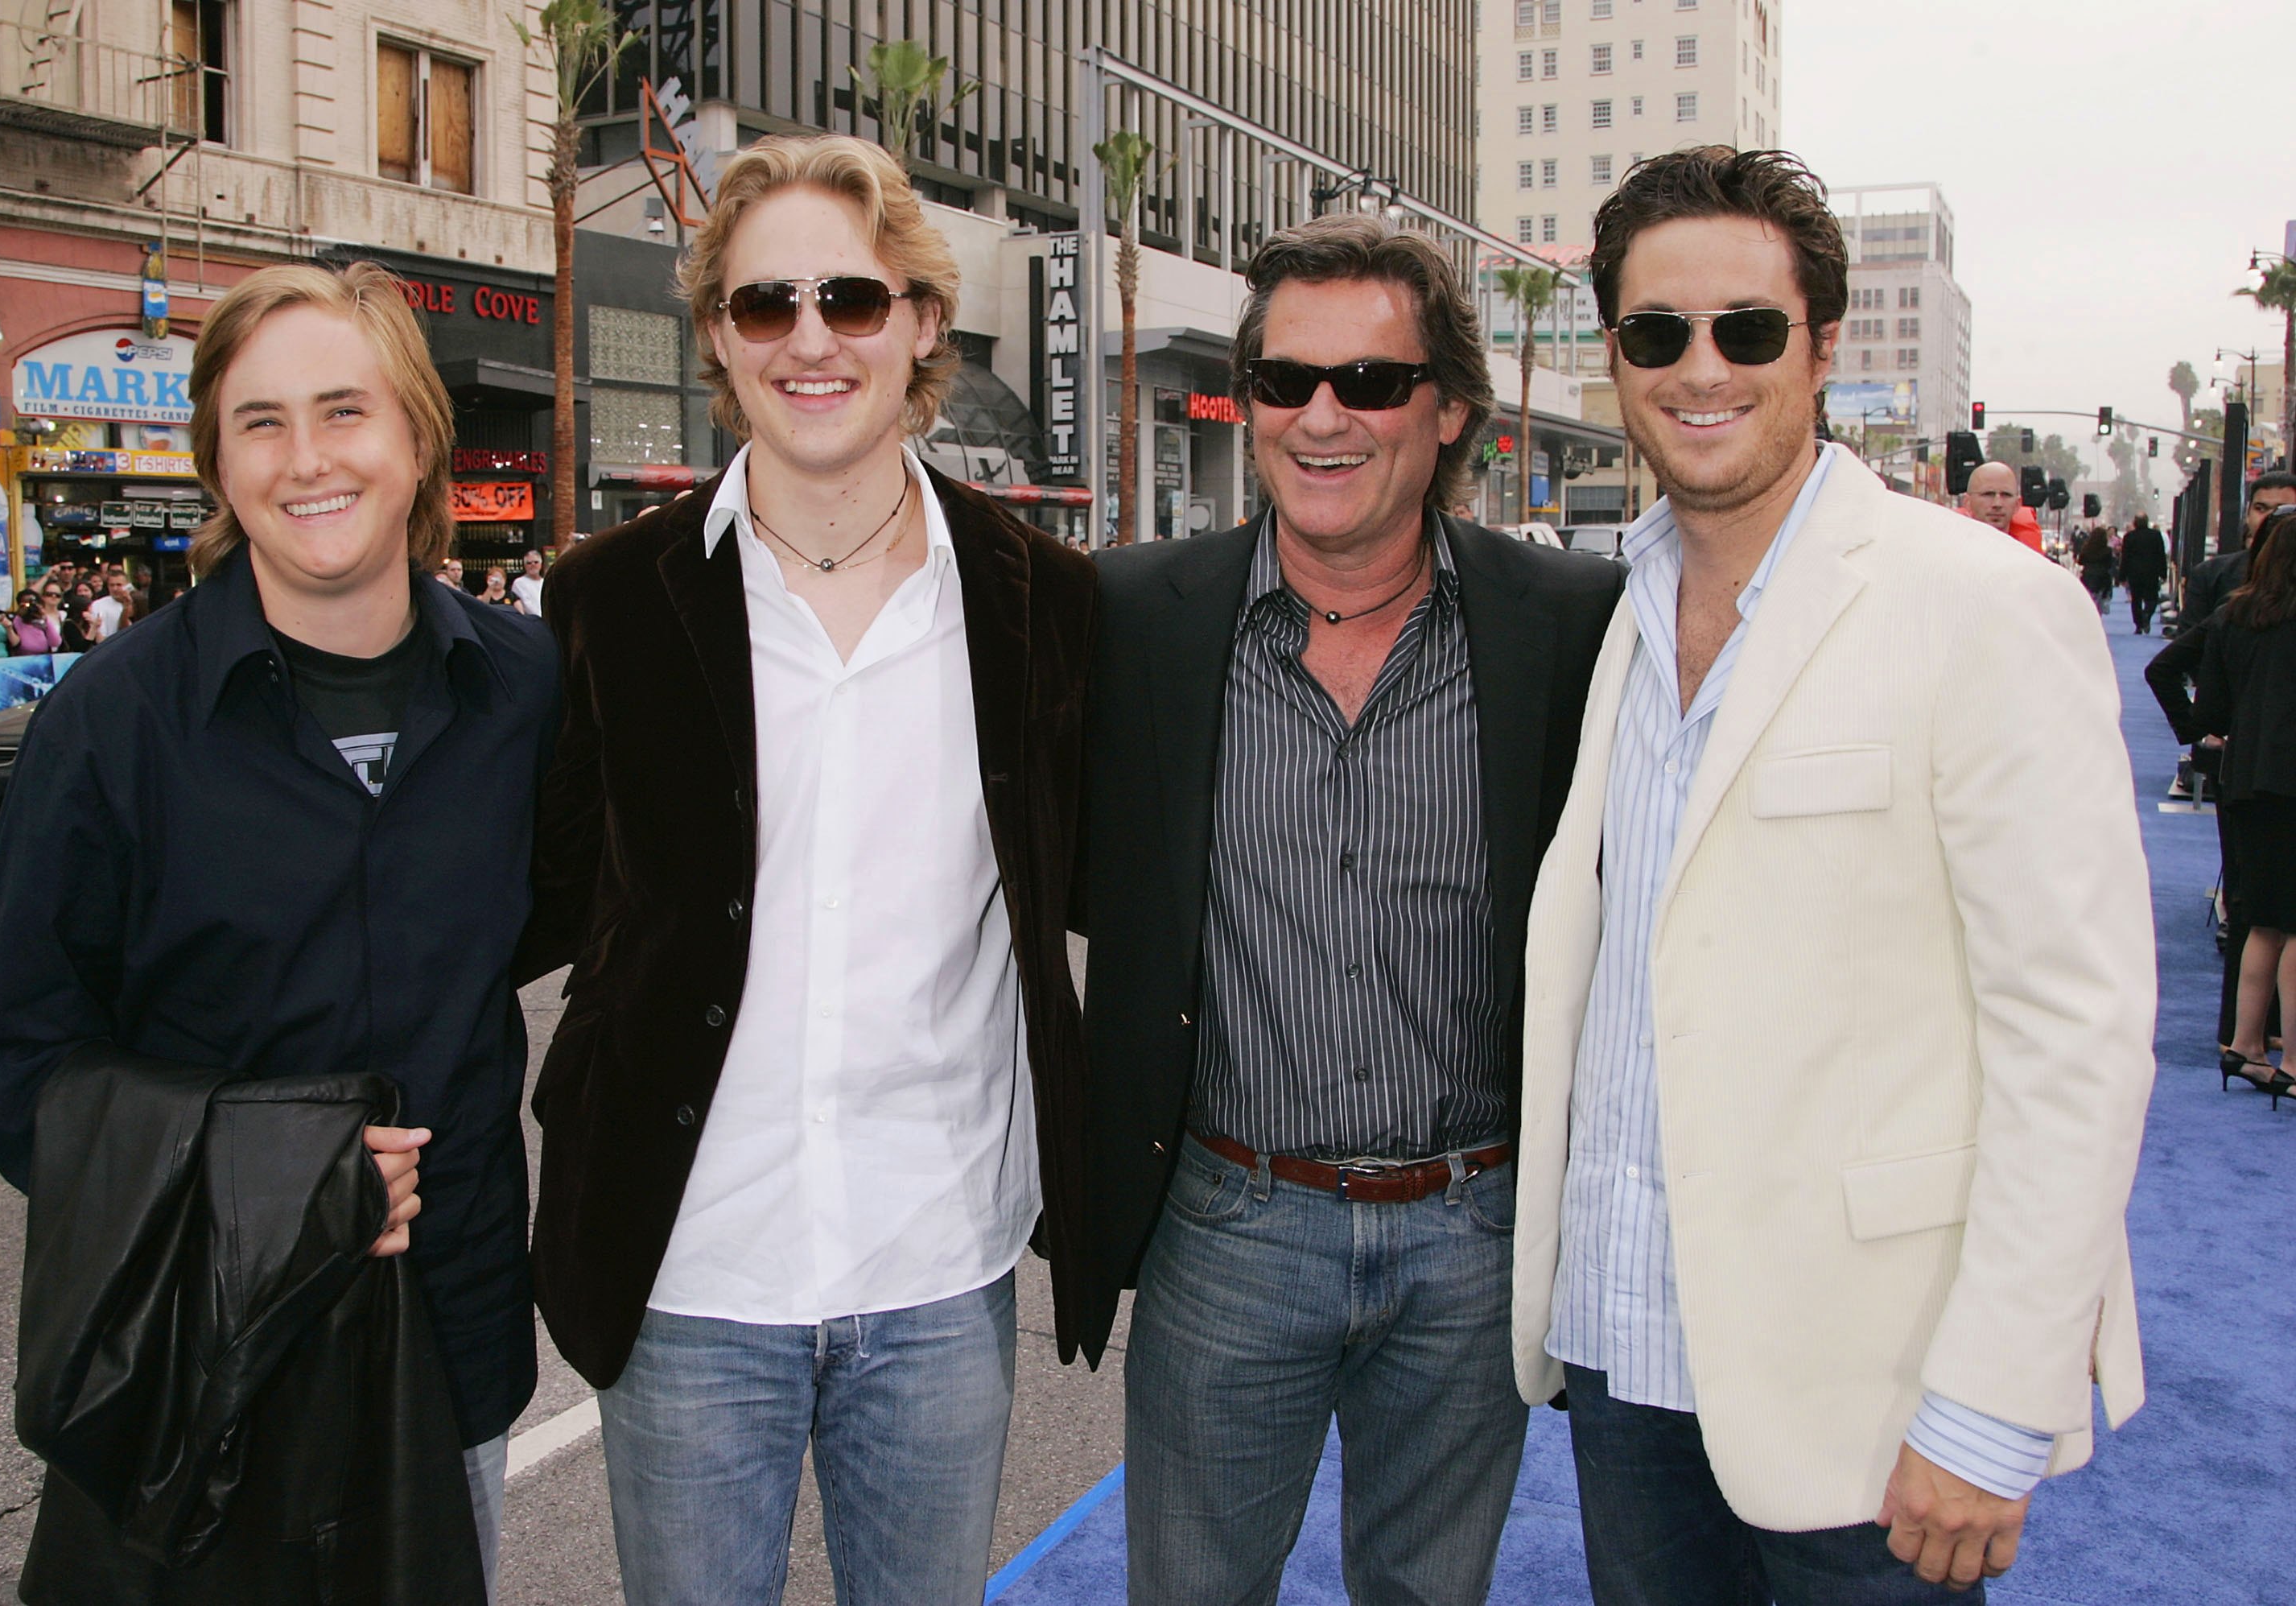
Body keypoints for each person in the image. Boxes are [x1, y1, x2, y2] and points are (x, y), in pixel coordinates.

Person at [1511, 147, 2154, 1604]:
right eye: (1655, 333)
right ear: (1612, 349)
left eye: (1746, 330)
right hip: (1626, 1361)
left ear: (1821, 345)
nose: (1700, 370)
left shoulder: (1982, 608)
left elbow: (2077, 1034)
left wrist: (1992, 1408)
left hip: (1867, 1394)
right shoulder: (1622, 606)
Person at [515, 134, 1096, 1606]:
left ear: (919, 324)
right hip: (691, 1274)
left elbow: (1107, 888)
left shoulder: (1043, 604)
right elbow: (521, 901)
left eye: (850, 295)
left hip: (939, 1268)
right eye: (766, 304)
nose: (812, 338)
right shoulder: (609, 601)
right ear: (718, 334)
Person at [0, 260, 559, 1600]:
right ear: (216, 462)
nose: (307, 460)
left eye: (344, 411)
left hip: (451, 1351)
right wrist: (278, 1175)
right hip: (201, 1367)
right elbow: (20, 1074)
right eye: (260, 421)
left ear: (416, 438)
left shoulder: (526, 687)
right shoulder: (113, 723)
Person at [1071, 214, 1622, 1604]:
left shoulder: (1571, 626)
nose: (1323, 418)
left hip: (1476, 1232)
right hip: (1231, 1222)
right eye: (1284, 380)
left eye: (1371, 385)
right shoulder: (1129, 615)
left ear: (1447, 414)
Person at [2197, 506, 2296, 1103]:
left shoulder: (2232, 614)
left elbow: (2208, 712)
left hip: (2247, 783)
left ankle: (2245, 1044)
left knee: (2260, 921)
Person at [2182, 473, 2296, 627]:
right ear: (2248, 515)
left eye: (2282, 511)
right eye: (2260, 508)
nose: (2269, 518)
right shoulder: (2211, 575)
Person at [2120, 513, 2169, 634]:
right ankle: (2147, 614)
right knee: (2152, 598)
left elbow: (2125, 558)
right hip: (2151, 572)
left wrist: (2122, 576)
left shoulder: (2129, 537)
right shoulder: (2156, 536)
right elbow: (2161, 555)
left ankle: (2139, 624)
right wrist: (2163, 573)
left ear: (2135, 523)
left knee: (2136, 599)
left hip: (2134, 573)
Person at [2075, 522, 2116, 613]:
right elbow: (2109, 565)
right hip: (2102, 578)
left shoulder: (2086, 549)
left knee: (2089, 599)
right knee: (2100, 602)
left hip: (2088, 576)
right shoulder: (2108, 551)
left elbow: (2080, 562)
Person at [85, 570, 131, 642]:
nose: (115, 589)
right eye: (112, 585)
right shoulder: (98, 605)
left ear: (127, 585)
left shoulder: (137, 601)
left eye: (119, 585)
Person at [509, 548, 546, 616]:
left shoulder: (544, 582)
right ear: (525, 566)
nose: (533, 565)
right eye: (529, 563)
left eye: (536, 562)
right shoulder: (519, 583)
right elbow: (527, 605)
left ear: (541, 564)